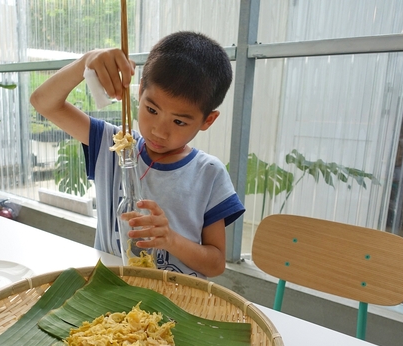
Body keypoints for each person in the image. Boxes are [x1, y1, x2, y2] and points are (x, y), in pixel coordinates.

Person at [30, 31, 244, 278]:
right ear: (140, 91)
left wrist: (171, 240)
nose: (159, 131)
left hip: (178, 299)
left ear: (208, 120)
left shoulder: (209, 173)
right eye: (151, 109)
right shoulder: (113, 146)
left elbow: (215, 264)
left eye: (179, 121)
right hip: (112, 295)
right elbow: (43, 102)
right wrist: (85, 62)